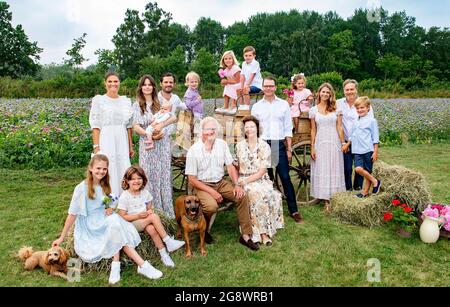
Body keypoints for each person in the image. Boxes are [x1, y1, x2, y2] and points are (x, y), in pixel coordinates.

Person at [52, 154, 163, 285]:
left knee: (114, 222)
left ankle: (117, 265)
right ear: (91, 168)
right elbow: (72, 214)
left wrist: (109, 208)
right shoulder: (81, 188)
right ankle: (141, 265)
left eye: (104, 169)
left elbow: (105, 203)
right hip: (90, 224)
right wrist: (62, 237)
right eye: (98, 168)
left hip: (104, 218)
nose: (101, 171)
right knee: (114, 224)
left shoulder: (104, 185)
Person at [185, 117, 258, 251]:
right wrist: (212, 192)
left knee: (241, 196)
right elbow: (192, 179)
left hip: (220, 182)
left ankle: (246, 236)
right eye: (208, 129)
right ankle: (204, 229)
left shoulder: (222, 144)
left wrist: (236, 184)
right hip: (202, 185)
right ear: (201, 131)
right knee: (212, 206)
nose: (212, 132)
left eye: (214, 129)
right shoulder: (194, 150)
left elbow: (230, 167)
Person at [251, 76, 304, 224]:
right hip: (262, 144)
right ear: (262, 88)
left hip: (277, 144)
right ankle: (268, 208)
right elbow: (253, 128)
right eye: (266, 86)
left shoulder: (283, 105)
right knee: (266, 178)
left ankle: (294, 210)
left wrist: (288, 149)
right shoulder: (256, 107)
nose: (268, 88)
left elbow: (288, 128)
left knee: (285, 177)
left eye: (271, 86)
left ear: (275, 87)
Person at [117, 165, 185, 267]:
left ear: (143, 180)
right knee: (153, 217)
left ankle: (164, 255)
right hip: (131, 224)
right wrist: (139, 216)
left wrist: (148, 212)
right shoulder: (125, 196)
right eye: (133, 179)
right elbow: (122, 217)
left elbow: (150, 208)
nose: (136, 181)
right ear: (127, 181)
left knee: (152, 229)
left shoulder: (145, 193)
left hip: (144, 221)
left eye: (139, 178)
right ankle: (168, 241)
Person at [133, 75, 177, 219]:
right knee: (148, 176)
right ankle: (151, 213)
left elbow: (172, 119)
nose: (147, 87)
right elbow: (135, 126)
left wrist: (161, 128)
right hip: (147, 144)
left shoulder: (161, 102)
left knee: (163, 176)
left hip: (162, 145)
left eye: (149, 84)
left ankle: (166, 215)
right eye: (144, 84)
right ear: (141, 87)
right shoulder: (137, 105)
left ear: (153, 87)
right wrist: (148, 134)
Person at [236, 116, 284, 246]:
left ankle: (263, 233)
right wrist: (239, 181)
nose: (249, 129)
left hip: (260, 179)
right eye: (246, 127)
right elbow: (236, 166)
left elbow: (262, 171)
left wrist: (247, 181)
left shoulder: (264, 146)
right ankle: (256, 233)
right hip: (243, 178)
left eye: (252, 126)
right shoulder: (239, 146)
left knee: (264, 193)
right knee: (252, 194)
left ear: (257, 128)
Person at [89, 72, 134, 196]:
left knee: (122, 165)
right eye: (110, 81)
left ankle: (124, 198)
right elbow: (96, 125)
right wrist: (96, 147)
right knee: (108, 166)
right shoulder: (99, 100)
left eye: (115, 81)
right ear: (105, 83)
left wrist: (130, 146)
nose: (113, 84)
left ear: (119, 83)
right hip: (106, 138)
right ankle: (107, 197)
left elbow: (129, 126)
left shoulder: (125, 101)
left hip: (122, 138)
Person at [309, 83, 346, 212]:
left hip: (334, 141)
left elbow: (339, 127)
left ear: (331, 94)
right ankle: (325, 199)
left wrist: (342, 143)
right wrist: (312, 147)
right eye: (322, 92)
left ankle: (334, 198)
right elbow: (313, 130)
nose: (325, 94)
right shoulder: (313, 110)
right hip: (321, 142)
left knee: (333, 168)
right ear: (319, 93)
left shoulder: (337, 109)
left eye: (327, 92)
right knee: (323, 168)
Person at [337, 79, 374, 191]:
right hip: (344, 140)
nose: (349, 92)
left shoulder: (364, 104)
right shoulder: (338, 103)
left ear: (356, 90)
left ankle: (357, 187)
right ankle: (348, 189)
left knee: (359, 167)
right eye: (347, 89)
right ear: (344, 91)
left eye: (352, 89)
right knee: (347, 168)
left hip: (360, 141)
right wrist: (344, 142)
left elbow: (368, 124)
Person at [342, 97, 381, 198]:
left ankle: (365, 192)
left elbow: (375, 137)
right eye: (358, 108)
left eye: (362, 108)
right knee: (358, 169)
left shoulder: (372, 121)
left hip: (368, 149)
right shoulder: (356, 121)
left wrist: (375, 151)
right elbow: (353, 135)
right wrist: (347, 144)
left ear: (368, 108)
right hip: (357, 150)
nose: (360, 110)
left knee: (367, 171)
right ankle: (375, 181)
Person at [215, 50, 242, 115]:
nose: (228, 60)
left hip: (240, 84)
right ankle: (226, 105)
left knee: (231, 87)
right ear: (223, 60)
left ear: (233, 59)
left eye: (230, 58)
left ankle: (233, 105)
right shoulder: (226, 69)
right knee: (227, 86)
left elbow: (238, 81)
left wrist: (227, 81)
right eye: (226, 59)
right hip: (232, 84)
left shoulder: (236, 68)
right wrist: (221, 74)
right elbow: (225, 78)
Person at [238, 46, 263, 111]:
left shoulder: (255, 63)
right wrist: (241, 86)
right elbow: (242, 75)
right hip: (248, 85)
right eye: (246, 55)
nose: (248, 57)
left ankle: (247, 107)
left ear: (254, 56)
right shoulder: (243, 63)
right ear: (243, 56)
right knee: (239, 90)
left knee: (245, 89)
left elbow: (252, 75)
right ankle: (242, 106)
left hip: (256, 86)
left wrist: (246, 86)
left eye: (250, 55)